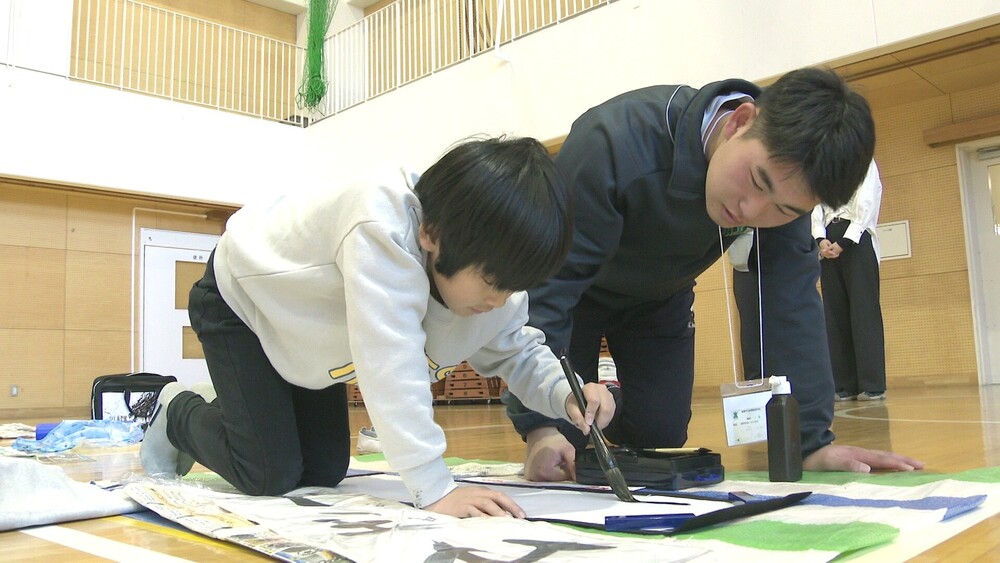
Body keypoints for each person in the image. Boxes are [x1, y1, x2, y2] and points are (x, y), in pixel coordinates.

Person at [139, 136, 616, 518]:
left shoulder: (497, 286)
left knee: (323, 470)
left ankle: (235, 407)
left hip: (313, 342)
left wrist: (565, 395)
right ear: (432, 234)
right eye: (491, 282)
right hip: (243, 301)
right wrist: (433, 488)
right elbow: (391, 366)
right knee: (268, 474)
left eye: (514, 287)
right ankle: (179, 410)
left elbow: (517, 349)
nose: (499, 301)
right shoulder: (380, 224)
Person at [503, 67, 924, 481]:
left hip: (658, 300)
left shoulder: (782, 200)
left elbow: (791, 305)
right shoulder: (614, 143)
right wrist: (540, 428)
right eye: (756, 181)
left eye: (783, 210)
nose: (751, 211)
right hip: (574, 294)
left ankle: (605, 396)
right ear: (741, 121)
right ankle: (582, 403)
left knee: (660, 434)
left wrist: (810, 442)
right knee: (563, 444)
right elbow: (548, 285)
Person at [812, 160, 887, 401]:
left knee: (864, 311)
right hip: (828, 239)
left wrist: (845, 241)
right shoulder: (820, 165)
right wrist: (819, 238)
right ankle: (844, 384)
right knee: (834, 314)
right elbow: (814, 205)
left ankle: (872, 384)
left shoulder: (863, 161)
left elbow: (866, 202)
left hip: (857, 238)